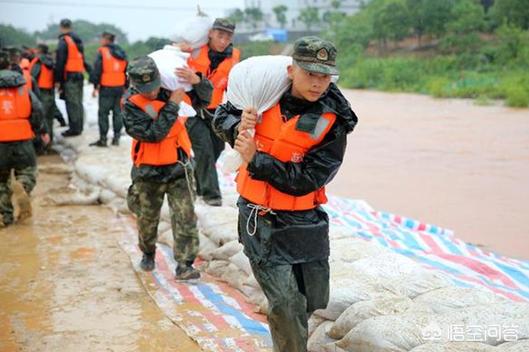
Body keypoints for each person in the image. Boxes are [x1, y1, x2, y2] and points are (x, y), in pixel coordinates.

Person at [213, 36, 358, 351]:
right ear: (292, 71)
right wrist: (238, 128)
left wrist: (257, 159)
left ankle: (290, 337)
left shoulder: (334, 120)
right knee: (286, 301)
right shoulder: (263, 94)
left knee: (313, 298)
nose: (318, 82)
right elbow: (220, 116)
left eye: (325, 75)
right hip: (260, 219)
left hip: (305, 220)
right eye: (310, 74)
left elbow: (309, 178)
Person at [123, 56, 211, 280]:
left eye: (153, 86)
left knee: (185, 216)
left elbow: (205, 99)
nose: (152, 92)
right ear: (134, 84)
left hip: (178, 167)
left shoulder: (173, 86)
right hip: (147, 172)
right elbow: (153, 134)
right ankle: (148, 253)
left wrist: (197, 80)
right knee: (147, 218)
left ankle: (185, 264)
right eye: (146, 89)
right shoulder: (130, 104)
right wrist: (172, 105)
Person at [184, 18, 240, 206]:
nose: (223, 40)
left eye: (228, 37)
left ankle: (195, 177)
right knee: (204, 150)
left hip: (215, 111)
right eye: (220, 35)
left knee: (217, 149)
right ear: (210, 33)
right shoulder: (194, 50)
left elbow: (232, 87)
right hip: (193, 110)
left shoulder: (233, 57)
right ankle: (211, 196)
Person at [0, 50, 49, 227]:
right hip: (22, 138)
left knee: (1, 181)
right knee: (28, 171)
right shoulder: (22, 87)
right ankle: (23, 186)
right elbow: (38, 111)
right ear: (10, 66)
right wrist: (39, 131)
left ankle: (5, 216)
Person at [89, 31, 128, 147]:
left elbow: (97, 70)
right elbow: (127, 70)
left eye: (102, 39)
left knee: (103, 113)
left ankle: (103, 139)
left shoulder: (102, 51)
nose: (101, 41)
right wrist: (126, 86)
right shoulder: (122, 52)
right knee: (118, 113)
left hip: (106, 87)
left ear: (106, 40)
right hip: (120, 87)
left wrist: (95, 86)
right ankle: (116, 139)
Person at [55, 18, 87, 137]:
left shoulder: (64, 41)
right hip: (79, 74)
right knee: (78, 102)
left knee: (72, 103)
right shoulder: (77, 40)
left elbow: (60, 61)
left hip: (70, 75)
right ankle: (79, 127)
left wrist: (58, 80)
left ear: (61, 27)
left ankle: (74, 129)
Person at [30, 44, 56, 147]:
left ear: (39, 50)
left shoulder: (38, 61)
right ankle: (49, 142)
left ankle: (40, 144)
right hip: (50, 91)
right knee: (49, 117)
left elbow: (33, 76)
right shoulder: (52, 61)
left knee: (40, 117)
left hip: (40, 91)